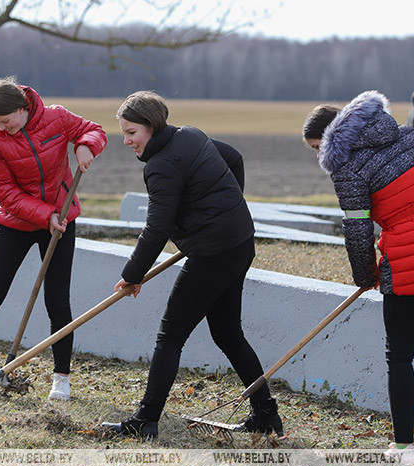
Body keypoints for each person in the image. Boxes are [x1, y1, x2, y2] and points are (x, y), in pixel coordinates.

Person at [303, 91, 414, 464]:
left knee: (399, 355)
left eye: (317, 146)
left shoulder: (347, 166)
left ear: (333, 137)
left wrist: (364, 274)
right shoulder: (405, 134)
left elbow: (357, 230)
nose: (317, 155)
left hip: (409, 259)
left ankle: (403, 449)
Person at [100, 91, 282, 439]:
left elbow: (157, 228)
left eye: (132, 133)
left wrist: (131, 276)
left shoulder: (160, 166)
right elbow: (234, 158)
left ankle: (144, 421)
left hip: (214, 253)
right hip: (240, 241)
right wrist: (227, 209)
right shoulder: (190, 134)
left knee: (170, 336)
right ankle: (266, 415)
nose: (126, 141)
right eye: (123, 133)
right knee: (228, 333)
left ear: (151, 127)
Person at [0, 76, 107, 401]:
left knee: (57, 300)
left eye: (5, 121)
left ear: (23, 108)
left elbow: (93, 129)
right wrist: (44, 215)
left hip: (62, 218)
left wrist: (86, 143)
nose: (1, 128)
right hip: (16, 222)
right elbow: (6, 192)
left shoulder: (56, 117)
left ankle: (61, 379)